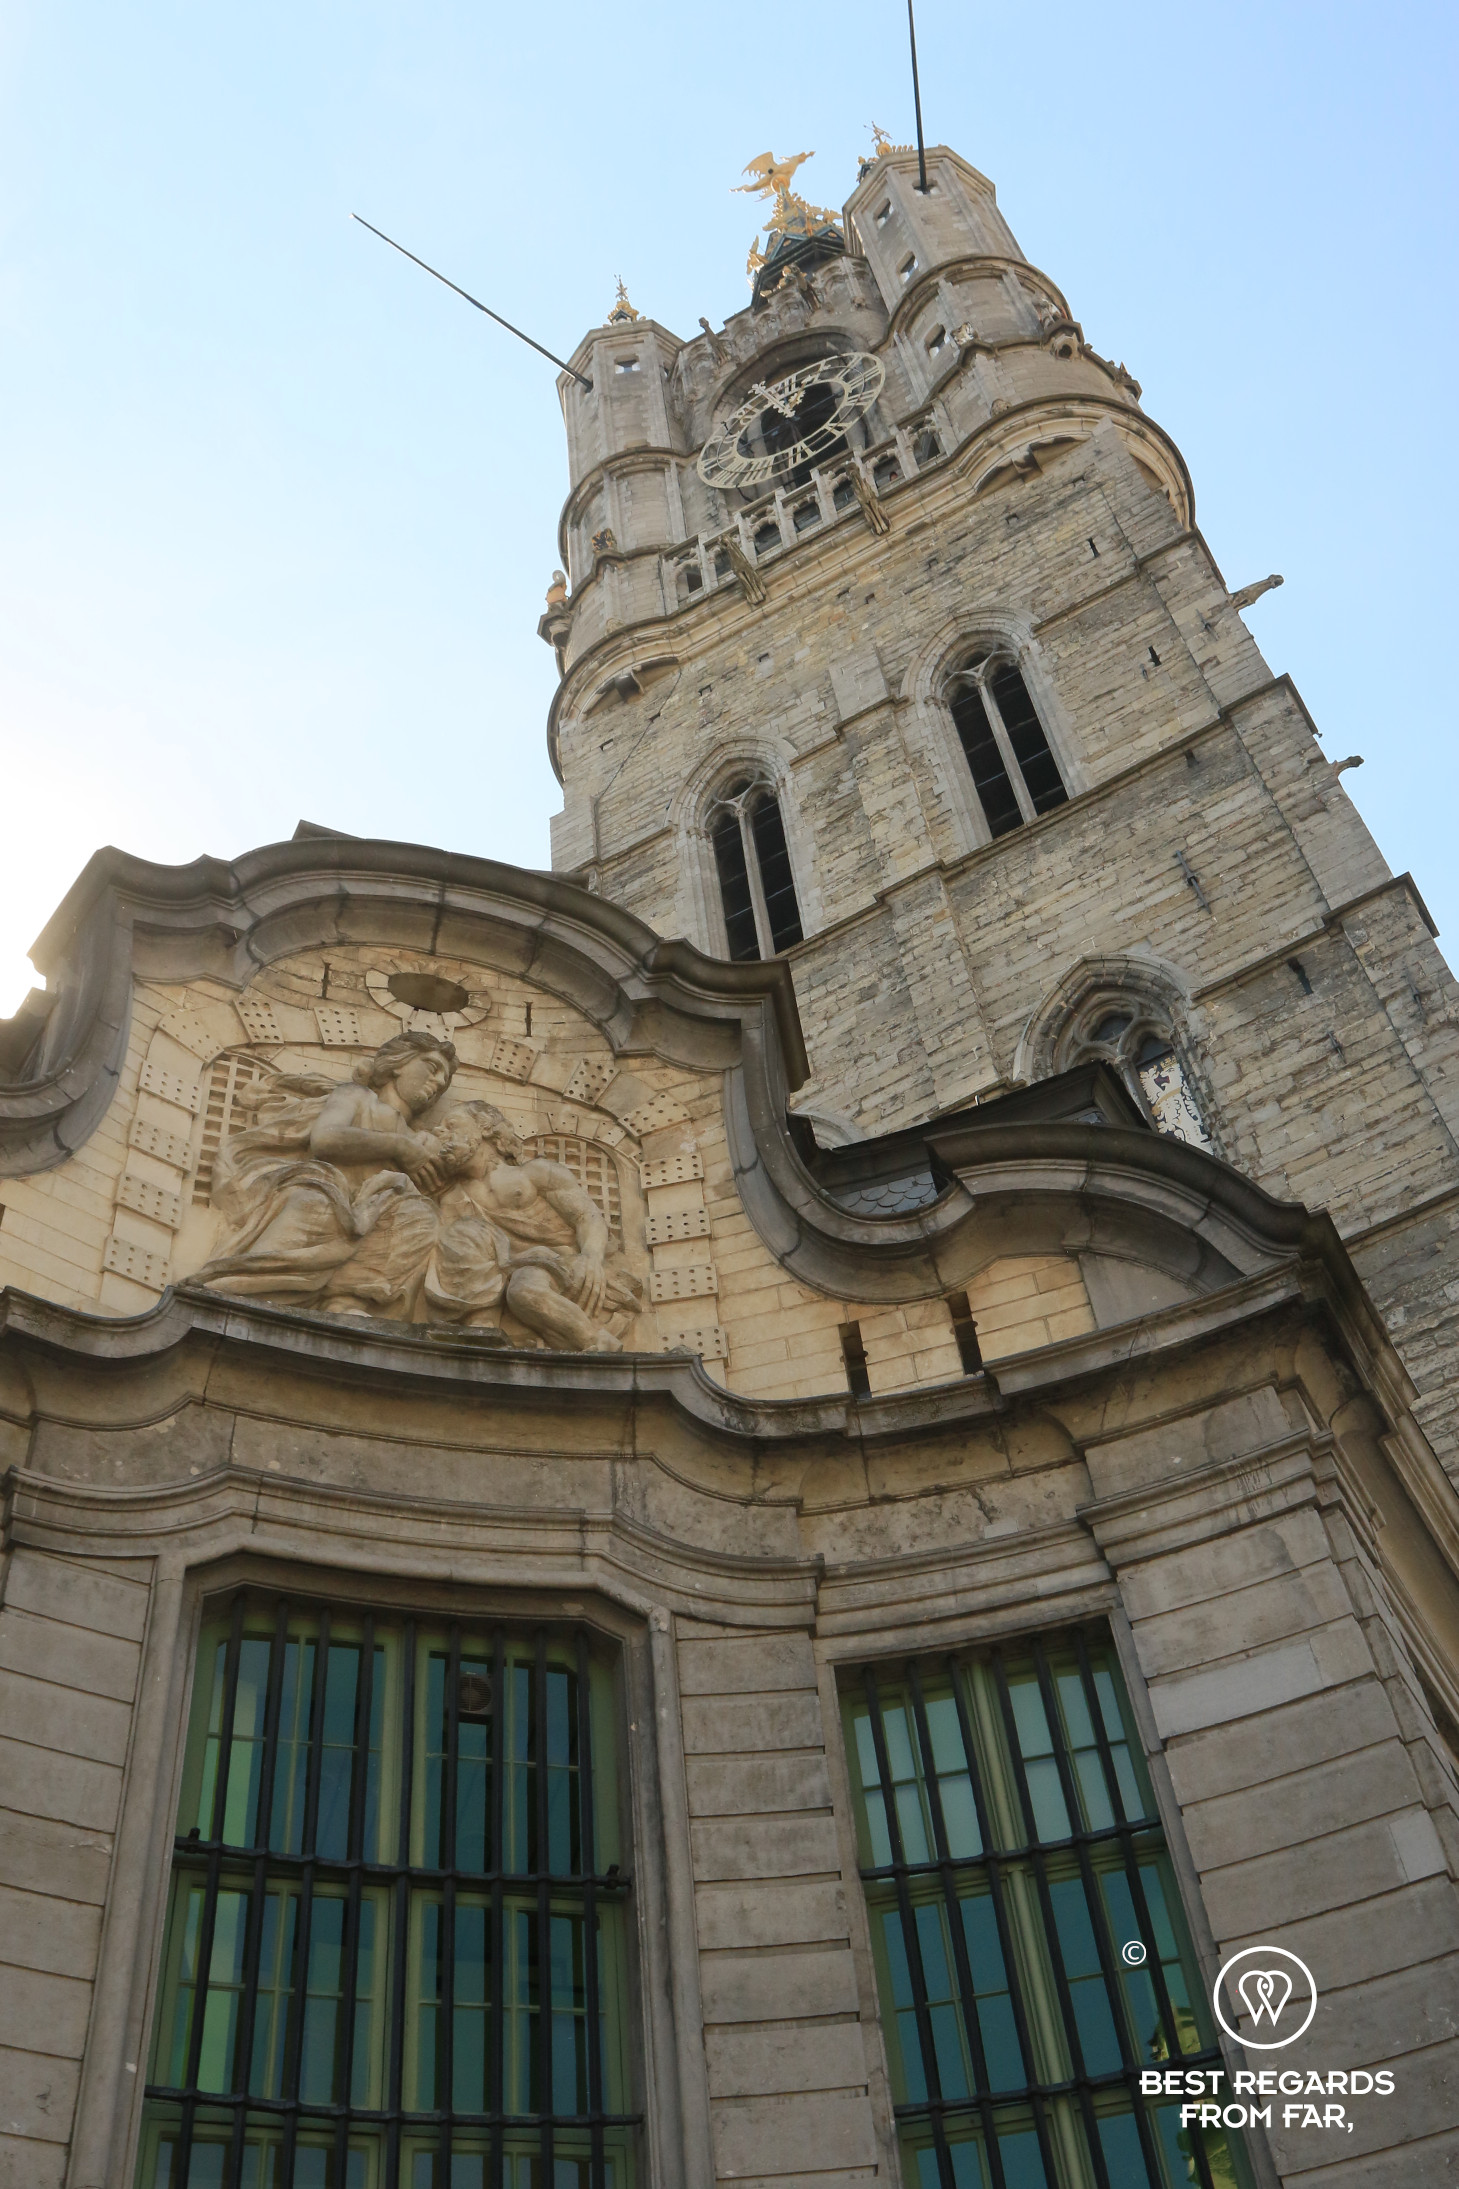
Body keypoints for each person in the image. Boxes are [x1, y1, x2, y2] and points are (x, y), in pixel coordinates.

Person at [195, 1030, 457, 1317]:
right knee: (316, 1203)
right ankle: (246, 1284)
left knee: (421, 1217)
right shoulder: (356, 1096)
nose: (438, 1083)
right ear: (397, 1063)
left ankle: (346, 1301)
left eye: (443, 1083)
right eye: (432, 1069)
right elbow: (326, 1139)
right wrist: (398, 1146)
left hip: (374, 1210)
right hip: (328, 1190)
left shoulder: (419, 1140)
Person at [423, 1102, 643, 1350]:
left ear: (485, 1128)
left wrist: (591, 1257)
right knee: (467, 1240)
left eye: (450, 1124)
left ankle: (597, 1343)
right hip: (510, 1269)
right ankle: (480, 1323)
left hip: (561, 1264)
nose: (438, 1131)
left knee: (524, 1290)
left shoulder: (535, 1173)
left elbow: (587, 1217)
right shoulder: (453, 1198)